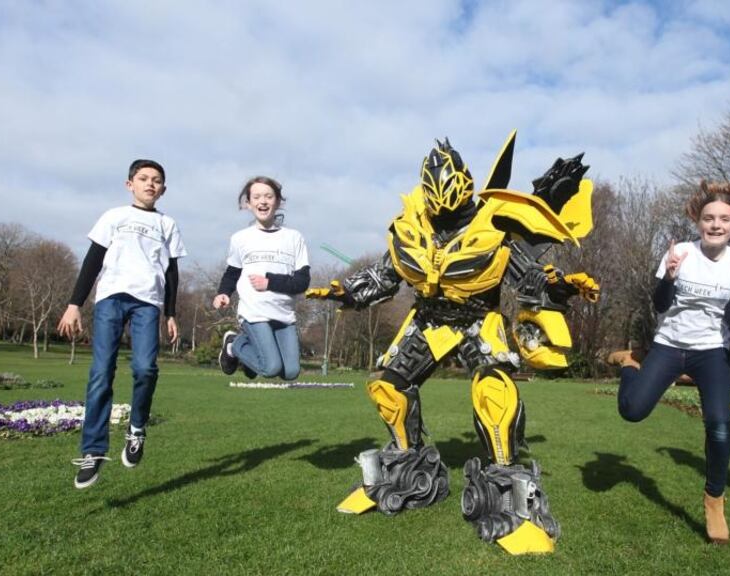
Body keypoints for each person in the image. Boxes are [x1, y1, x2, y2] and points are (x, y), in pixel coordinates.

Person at [307, 132, 599, 555]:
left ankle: (506, 482)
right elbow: (385, 276)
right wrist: (345, 292)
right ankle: (404, 469)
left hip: (478, 320)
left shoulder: (493, 222)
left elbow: (529, 277)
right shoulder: (411, 225)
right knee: (387, 387)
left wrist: (561, 287)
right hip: (428, 320)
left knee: (493, 391)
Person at [617, 180, 730, 544]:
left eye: (725, 218)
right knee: (632, 411)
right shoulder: (680, 253)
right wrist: (670, 277)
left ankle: (714, 500)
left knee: (720, 427)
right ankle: (630, 363)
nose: (716, 224)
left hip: (711, 351)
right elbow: (659, 305)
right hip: (669, 344)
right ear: (698, 222)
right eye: (709, 218)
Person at [57, 159, 187, 489]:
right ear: (130, 184)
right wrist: (74, 305)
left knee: (145, 369)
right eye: (143, 178)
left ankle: (137, 429)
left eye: (157, 180)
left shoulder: (167, 224)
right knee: (102, 372)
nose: (150, 184)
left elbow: (172, 273)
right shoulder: (114, 217)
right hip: (111, 298)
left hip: (148, 303)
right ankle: (93, 451)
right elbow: (92, 261)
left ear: (164, 189)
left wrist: (170, 313)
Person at [213, 176, 310, 380]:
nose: (263, 201)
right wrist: (223, 293)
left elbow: (302, 282)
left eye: (268, 196)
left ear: (278, 202)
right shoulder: (240, 238)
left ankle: (246, 352)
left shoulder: (294, 238)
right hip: (254, 311)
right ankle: (233, 344)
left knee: (290, 372)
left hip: (284, 313)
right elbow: (232, 271)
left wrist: (269, 282)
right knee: (270, 367)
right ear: (248, 204)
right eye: (256, 197)